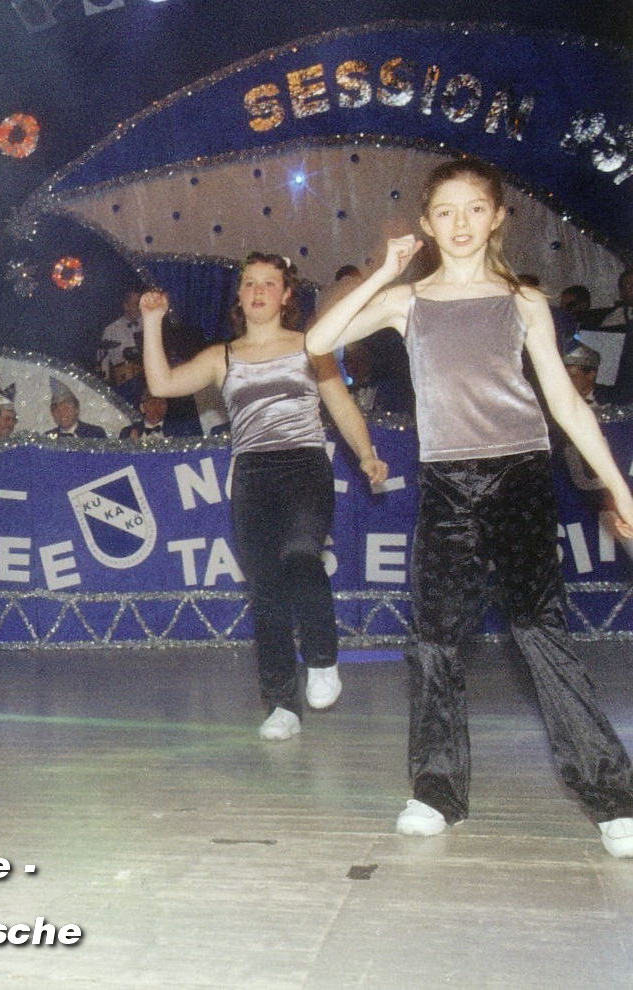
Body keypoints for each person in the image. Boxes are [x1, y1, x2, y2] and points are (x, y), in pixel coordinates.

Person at [305, 158, 633, 857]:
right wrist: (383, 271)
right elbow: (318, 342)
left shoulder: (524, 302)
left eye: (474, 209)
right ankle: (436, 792)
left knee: (540, 630)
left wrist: (618, 487)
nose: (460, 223)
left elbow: (567, 403)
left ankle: (613, 799)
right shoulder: (408, 301)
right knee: (434, 638)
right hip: (447, 482)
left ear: (497, 218)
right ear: (427, 224)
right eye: (445, 211)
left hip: (520, 476)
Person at [141, 255, 387, 741]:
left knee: (301, 557)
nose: (257, 291)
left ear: (286, 294)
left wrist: (366, 454)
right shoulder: (222, 357)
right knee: (267, 590)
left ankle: (322, 659)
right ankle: (281, 705)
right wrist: (152, 322)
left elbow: (341, 406)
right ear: (239, 294)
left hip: (304, 467)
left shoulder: (311, 346)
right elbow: (161, 384)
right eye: (249, 283)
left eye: (269, 284)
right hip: (252, 476)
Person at [97, 290, 142, 377]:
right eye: (136, 304)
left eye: (140, 305)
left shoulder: (148, 323)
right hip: (124, 374)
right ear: (126, 306)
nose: (139, 308)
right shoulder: (111, 329)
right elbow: (104, 360)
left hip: (146, 372)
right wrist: (105, 379)